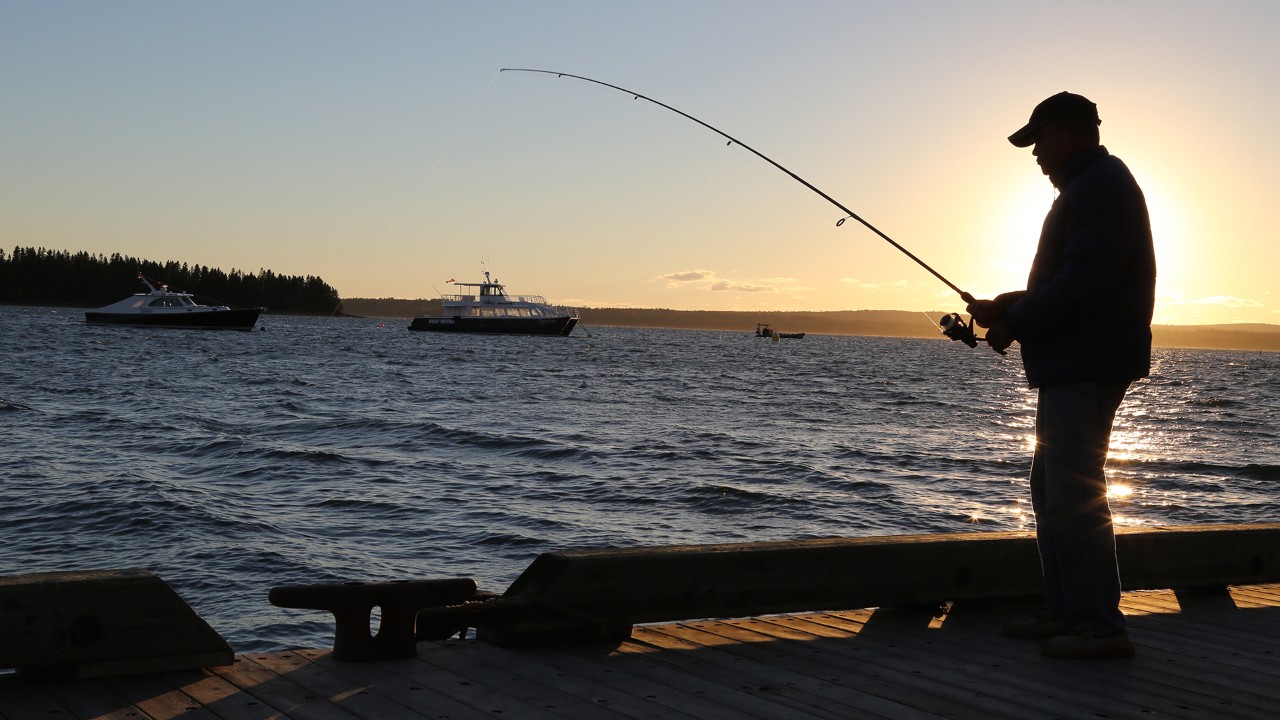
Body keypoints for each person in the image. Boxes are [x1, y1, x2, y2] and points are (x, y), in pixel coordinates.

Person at [967, 91, 1156, 659]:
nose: (1035, 153)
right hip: (1074, 361)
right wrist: (1008, 306)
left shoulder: (1102, 188)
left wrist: (1013, 324)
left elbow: (1086, 284)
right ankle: (1068, 613)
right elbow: (1076, 280)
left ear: (1072, 133)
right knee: (1050, 488)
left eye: (1039, 140)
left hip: (1086, 363)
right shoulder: (1091, 188)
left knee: (1072, 492)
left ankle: (1099, 627)